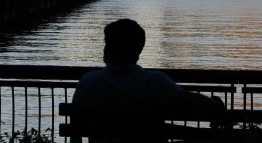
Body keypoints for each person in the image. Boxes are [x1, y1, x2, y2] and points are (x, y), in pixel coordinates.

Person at [72, 18, 223, 112]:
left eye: (106, 44)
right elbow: (185, 99)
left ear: (109, 49)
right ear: (138, 51)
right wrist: (214, 103)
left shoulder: (88, 82)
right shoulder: (154, 82)